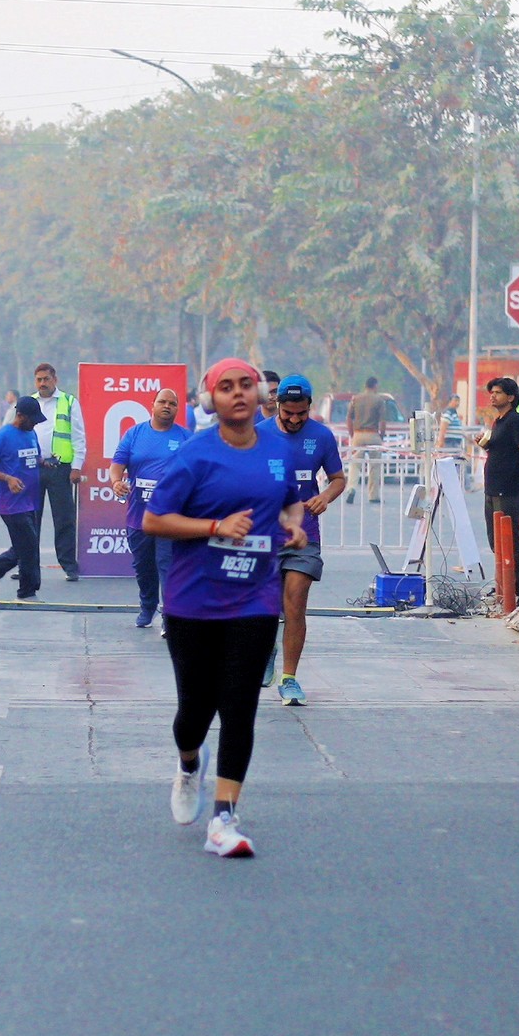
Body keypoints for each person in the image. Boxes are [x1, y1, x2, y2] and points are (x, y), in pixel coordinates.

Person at [143, 358, 307, 859]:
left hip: (254, 598)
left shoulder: (278, 450)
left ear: (260, 395)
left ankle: (224, 818)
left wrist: (293, 523)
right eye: (226, 387)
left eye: (245, 385)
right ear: (211, 400)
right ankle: (189, 763)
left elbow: (290, 499)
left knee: (239, 706)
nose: (237, 393)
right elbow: (154, 520)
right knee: (194, 712)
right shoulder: (195, 454)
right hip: (193, 600)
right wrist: (216, 527)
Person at [270, 373, 346, 705]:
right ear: (277, 405)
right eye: (288, 413)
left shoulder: (322, 436)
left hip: (305, 535)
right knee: (264, 606)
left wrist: (325, 497)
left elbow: (338, 478)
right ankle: (266, 650)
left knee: (295, 601)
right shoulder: (257, 434)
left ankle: (289, 678)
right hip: (263, 535)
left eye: (301, 413)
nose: (295, 419)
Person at [109, 384, 192, 628]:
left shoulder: (186, 438)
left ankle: (170, 617)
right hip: (139, 516)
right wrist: (116, 482)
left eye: (172, 403)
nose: (167, 406)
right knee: (143, 567)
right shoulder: (134, 434)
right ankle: (147, 606)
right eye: (162, 402)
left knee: (168, 566)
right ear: (152, 406)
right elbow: (117, 464)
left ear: (177, 409)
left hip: (170, 518)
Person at [0, 395, 48, 601]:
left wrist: (44, 462)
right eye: (32, 420)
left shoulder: (31, 433)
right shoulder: (3, 436)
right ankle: (26, 592)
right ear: (20, 416)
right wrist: (7, 478)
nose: (35, 424)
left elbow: (33, 457)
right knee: (28, 547)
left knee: (24, 547)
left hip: (30, 500)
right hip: (11, 503)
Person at [477, 376, 519, 613]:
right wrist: (485, 444)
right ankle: (503, 587)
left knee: (510, 541)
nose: (493, 396)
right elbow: (502, 449)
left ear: (510, 397)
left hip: (507, 488)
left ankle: (518, 590)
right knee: (496, 541)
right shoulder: (498, 421)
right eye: (491, 392)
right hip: (492, 488)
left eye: (498, 392)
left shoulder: (515, 421)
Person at [31, 361, 85, 583]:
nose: (42, 383)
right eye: (39, 380)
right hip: (32, 469)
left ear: (55, 379)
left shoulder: (68, 402)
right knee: (29, 520)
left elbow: (78, 436)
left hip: (60, 468)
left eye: (46, 379)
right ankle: (27, 566)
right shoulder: (30, 403)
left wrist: (77, 467)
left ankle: (69, 566)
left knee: (64, 519)